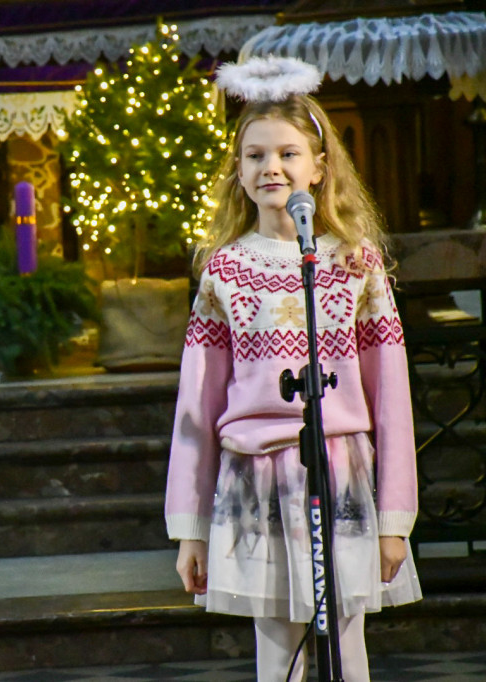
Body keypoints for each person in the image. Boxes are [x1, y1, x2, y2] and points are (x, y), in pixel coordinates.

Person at [165, 56, 422, 682]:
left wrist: (395, 519)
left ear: (319, 166)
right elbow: (197, 405)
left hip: (339, 470)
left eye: (287, 153)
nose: (271, 167)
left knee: (346, 648)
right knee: (278, 652)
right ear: (239, 170)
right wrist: (191, 528)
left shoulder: (355, 263)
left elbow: (390, 395)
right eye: (254, 156)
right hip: (254, 475)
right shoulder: (224, 271)